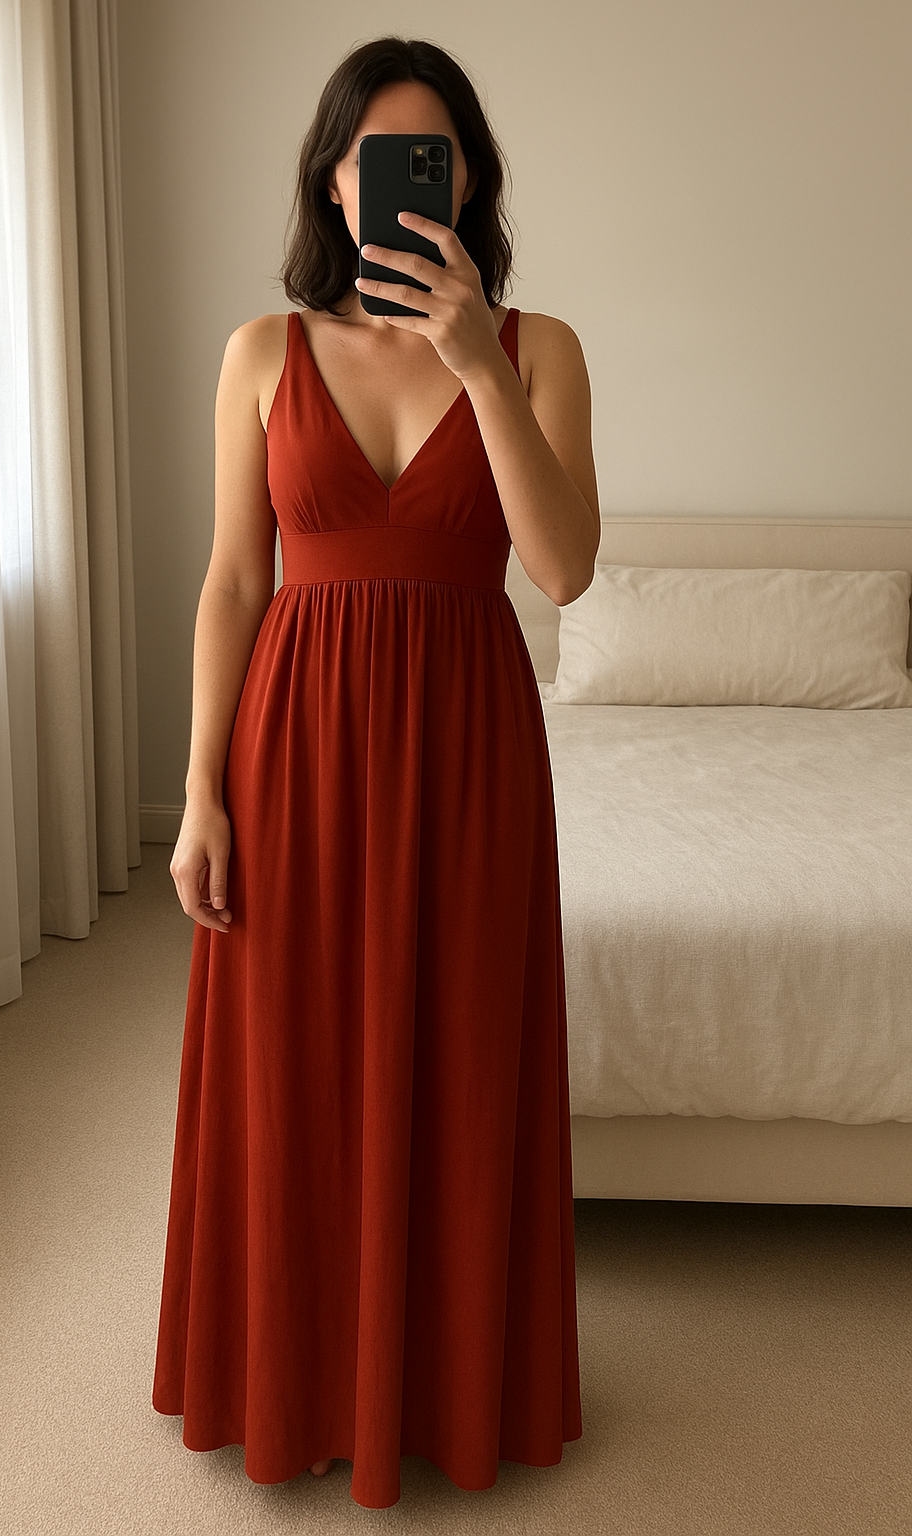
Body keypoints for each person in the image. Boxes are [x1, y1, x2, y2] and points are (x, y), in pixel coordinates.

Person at [152, 34, 601, 1512]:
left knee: (460, 1063)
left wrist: (475, 362)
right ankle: (297, 1379)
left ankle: (441, 1384)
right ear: (333, 180)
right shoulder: (261, 354)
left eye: (439, 155)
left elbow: (564, 568)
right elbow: (233, 581)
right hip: (295, 750)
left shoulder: (537, 348)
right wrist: (202, 790)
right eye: (377, 154)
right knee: (294, 1070)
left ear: (467, 183)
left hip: (468, 754)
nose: (409, 179)